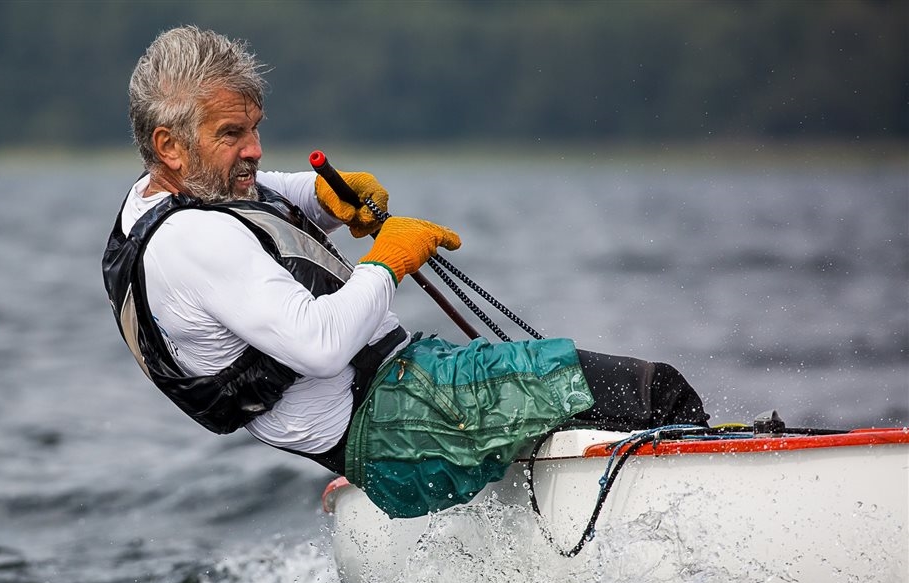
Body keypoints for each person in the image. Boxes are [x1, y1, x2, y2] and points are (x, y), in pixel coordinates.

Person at [103, 26, 708, 520]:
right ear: (170, 145)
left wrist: (322, 196)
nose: (256, 149)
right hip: (402, 425)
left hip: (401, 404)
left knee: (603, 404)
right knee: (655, 393)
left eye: (255, 127)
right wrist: (387, 261)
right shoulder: (192, 241)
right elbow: (319, 346)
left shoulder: (156, 205)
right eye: (232, 134)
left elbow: (264, 197)